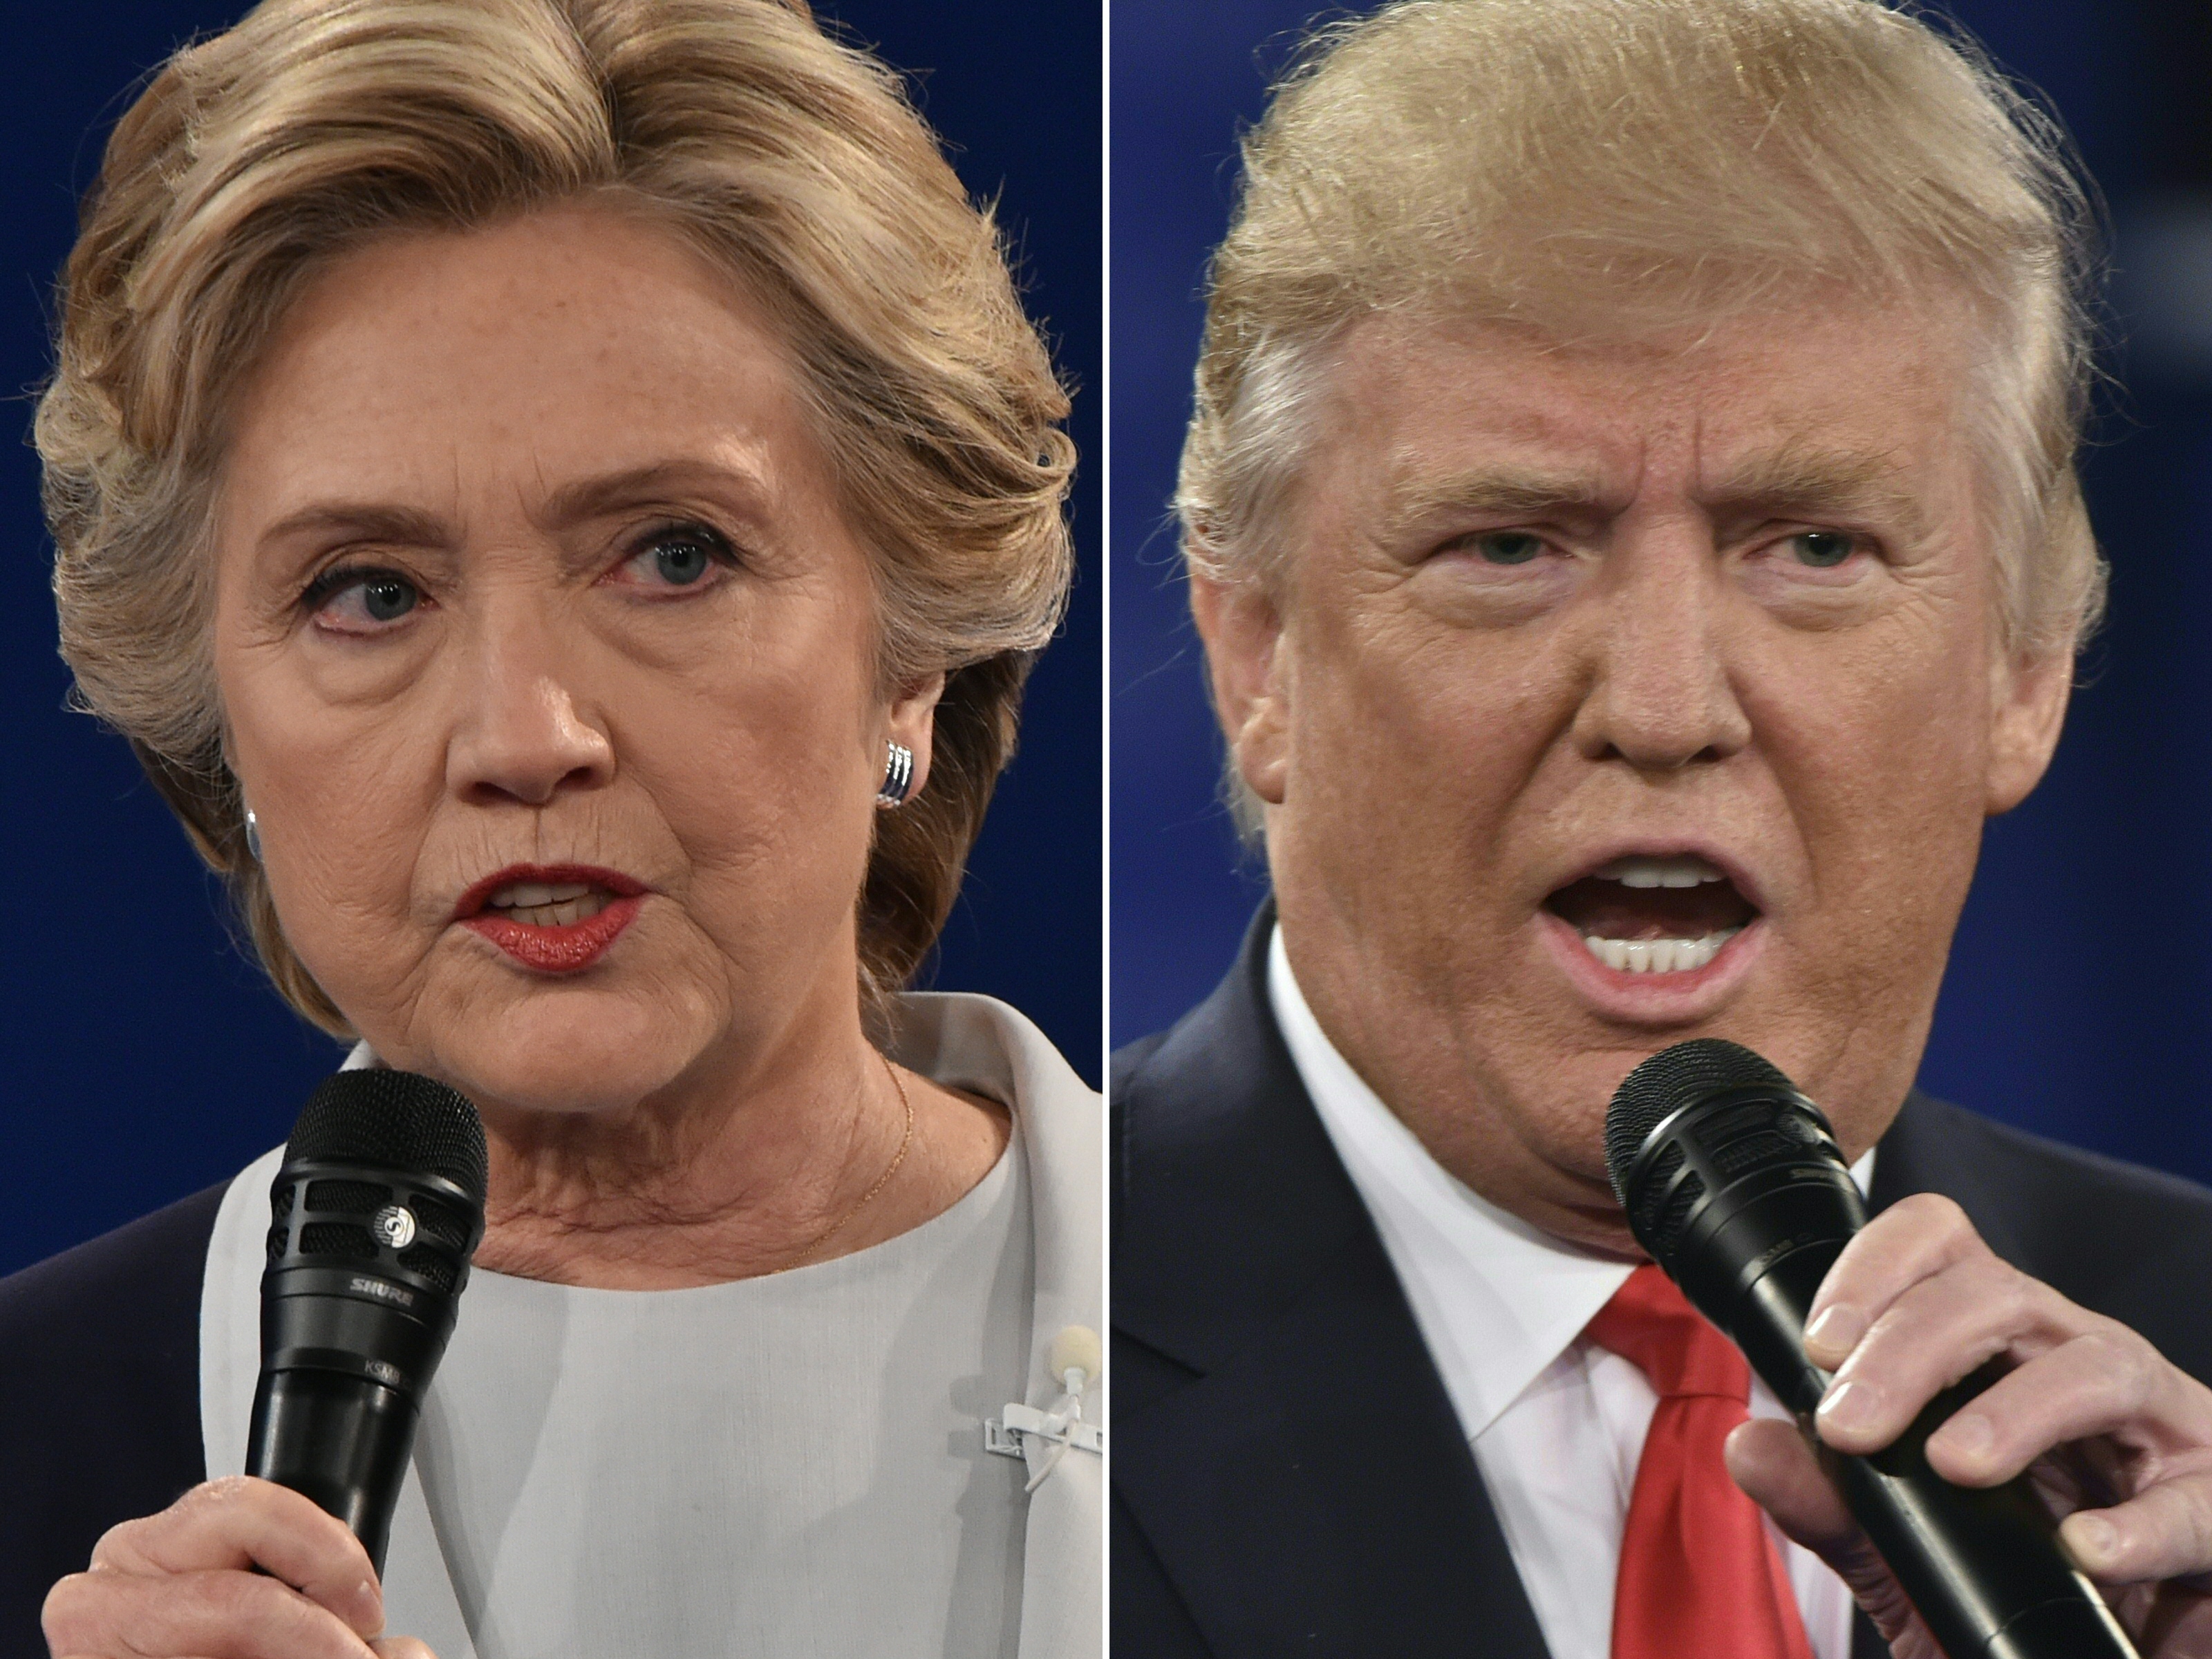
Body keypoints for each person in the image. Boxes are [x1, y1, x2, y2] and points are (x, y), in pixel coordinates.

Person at [0, 2, 1101, 1657]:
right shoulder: (33, 1437)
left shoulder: (1330, 1333)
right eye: (368, 593)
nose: (527, 737)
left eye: (673, 555)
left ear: (915, 658)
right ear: (213, 713)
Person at [1114, 2, 2212, 1656]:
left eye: (1814, 547)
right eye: (1509, 545)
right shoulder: (944, 1343)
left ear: (2025, 671)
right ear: (1254, 653)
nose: (1663, 701)